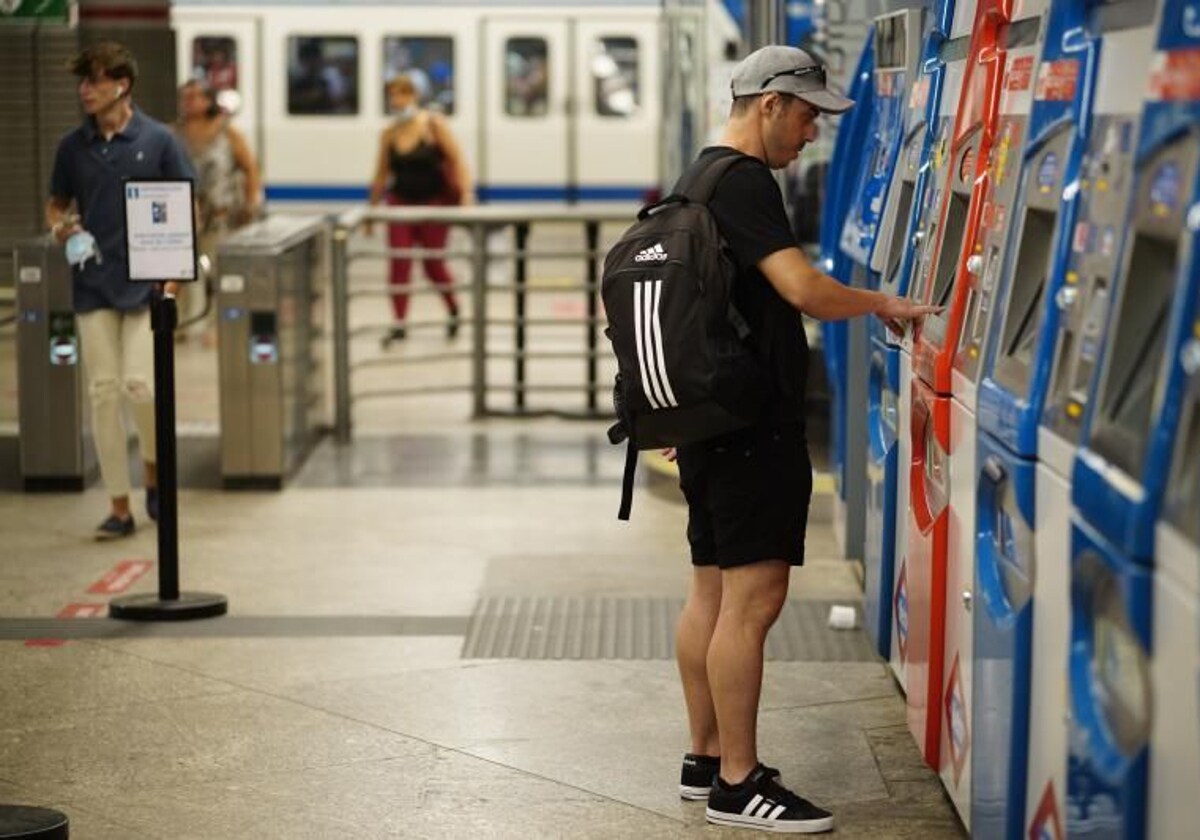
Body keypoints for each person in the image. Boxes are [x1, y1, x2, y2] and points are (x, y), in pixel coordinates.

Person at [668, 46, 938, 834]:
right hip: (751, 425)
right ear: (769, 104)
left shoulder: (699, 175)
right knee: (751, 605)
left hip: (708, 420)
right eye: (809, 113)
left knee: (711, 593)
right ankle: (739, 782)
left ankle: (704, 759)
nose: (813, 132)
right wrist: (888, 303)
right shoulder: (747, 182)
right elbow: (805, 291)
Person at [45, 41, 196, 539]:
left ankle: (153, 468)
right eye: (82, 82)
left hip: (146, 284)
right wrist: (63, 229)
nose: (85, 90)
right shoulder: (73, 146)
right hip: (92, 281)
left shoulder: (158, 140)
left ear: (121, 84)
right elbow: (56, 203)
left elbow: (187, 208)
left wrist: (173, 276)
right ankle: (118, 506)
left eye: (94, 80)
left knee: (141, 386)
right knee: (103, 393)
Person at [366, 74, 471, 346]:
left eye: (403, 94)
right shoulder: (389, 134)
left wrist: (467, 196)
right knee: (399, 263)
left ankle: (452, 308)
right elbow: (380, 174)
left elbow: (456, 160)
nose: (397, 100)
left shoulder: (433, 125)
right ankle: (399, 322)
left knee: (432, 263)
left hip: (433, 204)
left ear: (415, 95)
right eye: (393, 95)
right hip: (399, 204)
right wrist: (371, 210)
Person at [175, 78, 262, 342]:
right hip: (181, 216)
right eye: (185, 97)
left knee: (215, 269)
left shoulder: (228, 133)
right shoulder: (172, 133)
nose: (189, 102)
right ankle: (180, 322)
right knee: (180, 271)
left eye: (195, 96)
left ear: (209, 101)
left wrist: (250, 202)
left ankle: (214, 324)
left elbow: (250, 169)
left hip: (219, 214)